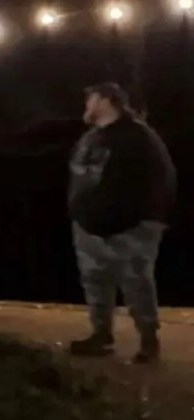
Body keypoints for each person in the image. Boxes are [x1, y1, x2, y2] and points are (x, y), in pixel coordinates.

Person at [66, 82, 178, 364]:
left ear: (106, 100)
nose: (86, 106)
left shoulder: (139, 137)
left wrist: (146, 222)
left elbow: (162, 181)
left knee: (136, 284)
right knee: (95, 283)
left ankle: (148, 341)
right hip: (89, 228)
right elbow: (80, 177)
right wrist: (79, 213)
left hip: (130, 230)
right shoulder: (91, 138)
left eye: (90, 100)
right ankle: (101, 336)